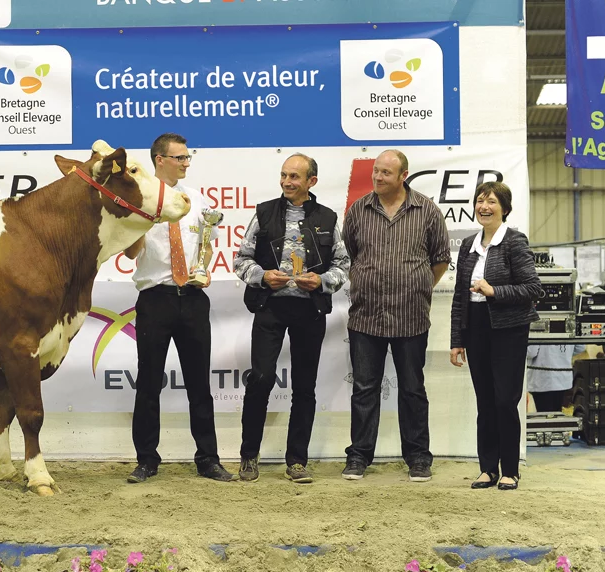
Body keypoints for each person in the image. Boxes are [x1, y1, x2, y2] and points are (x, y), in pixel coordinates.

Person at [123, 132, 237, 484]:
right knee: (149, 382)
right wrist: (145, 219)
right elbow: (129, 254)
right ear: (160, 159)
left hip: (192, 298)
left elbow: (207, 244)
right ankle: (146, 460)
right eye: (180, 158)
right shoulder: (139, 200)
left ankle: (208, 458)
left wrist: (203, 267)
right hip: (155, 298)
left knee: (199, 382)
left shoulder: (198, 199)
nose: (186, 163)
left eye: (188, 158)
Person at [233, 154, 350, 483]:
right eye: (284, 175)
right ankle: (248, 456)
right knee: (261, 378)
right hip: (270, 306)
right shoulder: (263, 212)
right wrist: (261, 276)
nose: (287, 182)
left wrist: (322, 282)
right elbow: (241, 259)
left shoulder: (327, 217)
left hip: (309, 310)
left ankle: (297, 460)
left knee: (304, 387)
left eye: (295, 177)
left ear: (311, 181)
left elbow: (343, 265)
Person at [342, 150, 451, 482]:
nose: (377, 177)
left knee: (412, 389)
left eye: (386, 173)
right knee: (364, 389)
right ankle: (359, 456)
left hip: (411, 317)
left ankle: (418, 457)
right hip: (366, 318)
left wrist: (417, 288)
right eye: (375, 171)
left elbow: (441, 259)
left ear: (403, 175)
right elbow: (351, 253)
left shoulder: (427, 211)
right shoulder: (358, 210)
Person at [449, 181, 542, 491]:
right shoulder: (468, 245)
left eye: (490, 201)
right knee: (485, 402)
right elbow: (459, 298)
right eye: (479, 201)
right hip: (475, 327)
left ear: (504, 208)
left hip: (509, 329)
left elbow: (533, 289)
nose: (483, 207)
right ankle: (488, 469)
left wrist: (493, 291)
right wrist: (456, 340)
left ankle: (510, 470)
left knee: (505, 400)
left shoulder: (515, 242)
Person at [526, 344, 586, 413]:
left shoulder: (536, 332)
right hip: (563, 379)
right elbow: (580, 347)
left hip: (543, 380)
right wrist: (564, 355)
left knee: (545, 417)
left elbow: (531, 352)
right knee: (557, 415)